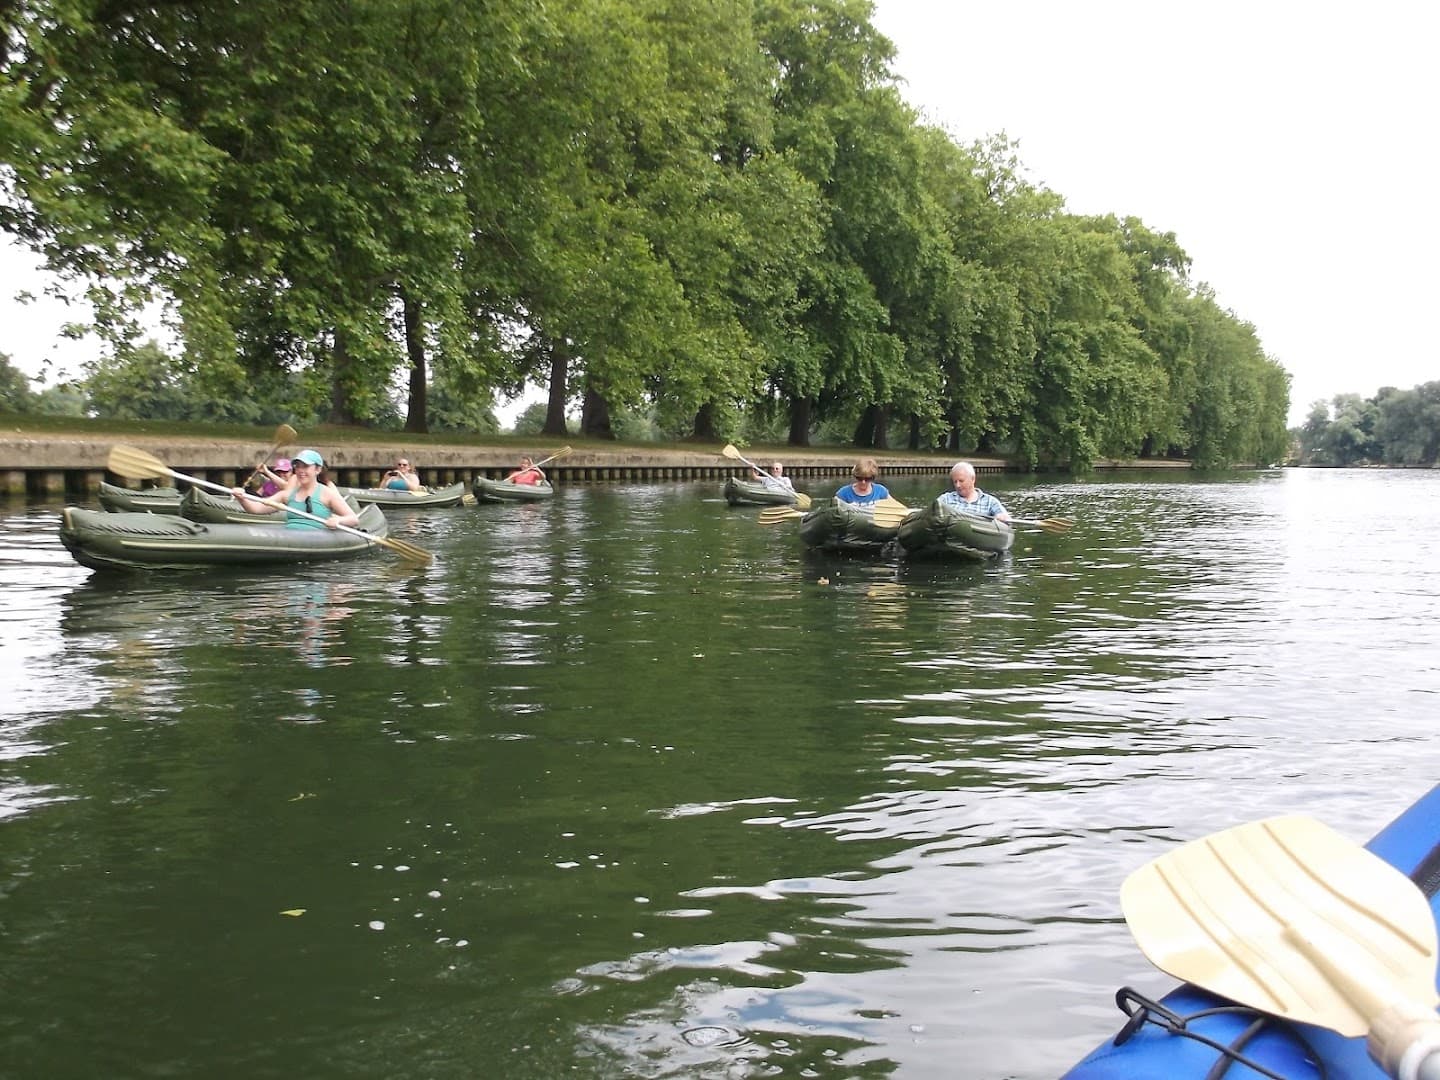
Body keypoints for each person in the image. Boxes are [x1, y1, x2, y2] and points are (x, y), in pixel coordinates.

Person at [231, 449, 360, 530]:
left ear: (317, 469)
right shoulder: (287, 495)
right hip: (292, 538)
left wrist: (338, 520)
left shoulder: (327, 493)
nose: (300, 471)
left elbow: (353, 519)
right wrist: (242, 498)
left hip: (318, 540)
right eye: (297, 467)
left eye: (305, 467)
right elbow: (256, 509)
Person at [939, 461, 1010, 521]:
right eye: (955, 482)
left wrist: (1001, 517)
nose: (958, 485)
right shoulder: (945, 499)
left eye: (961, 481)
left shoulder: (990, 502)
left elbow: (1006, 519)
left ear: (972, 479)